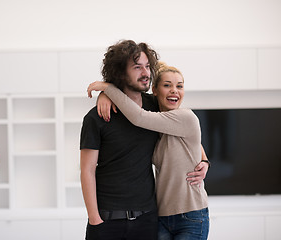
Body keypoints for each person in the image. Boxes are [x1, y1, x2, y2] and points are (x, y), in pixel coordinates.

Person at [80, 40, 209, 240]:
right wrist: (94, 218)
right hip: (107, 220)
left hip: (147, 220)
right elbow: (87, 170)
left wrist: (204, 160)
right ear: (121, 73)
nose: (146, 72)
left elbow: (188, 136)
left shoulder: (155, 106)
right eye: (138, 67)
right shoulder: (96, 117)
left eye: (148, 66)